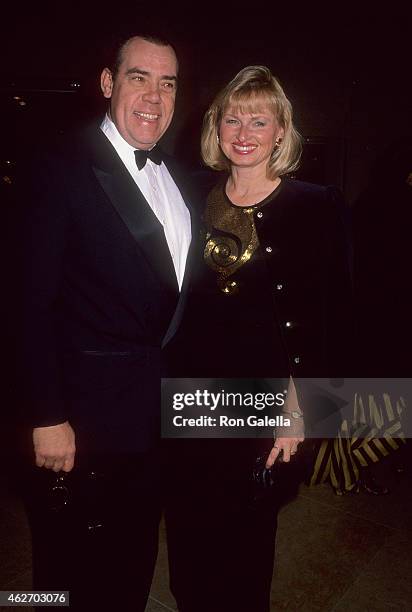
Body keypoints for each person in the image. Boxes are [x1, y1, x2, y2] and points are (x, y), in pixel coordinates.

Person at [15, 34, 195, 611]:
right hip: (81, 422)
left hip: (152, 421)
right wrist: (46, 415)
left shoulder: (182, 178)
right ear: (107, 84)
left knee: (131, 562)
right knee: (66, 577)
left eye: (167, 83)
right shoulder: (59, 165)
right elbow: (26, 302)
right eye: (139, 77)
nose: (154, 95)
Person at [168, 65, 352, 612]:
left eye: (259, 119)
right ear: (215, 128)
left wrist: (304, 408)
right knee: (188, 534)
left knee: (245, 543)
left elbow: (335, 319)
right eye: (232, 119)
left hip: (264, 402)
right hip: (189, 397)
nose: (243, 132)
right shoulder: (189, 191)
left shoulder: (317, 205)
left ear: (281, 131)